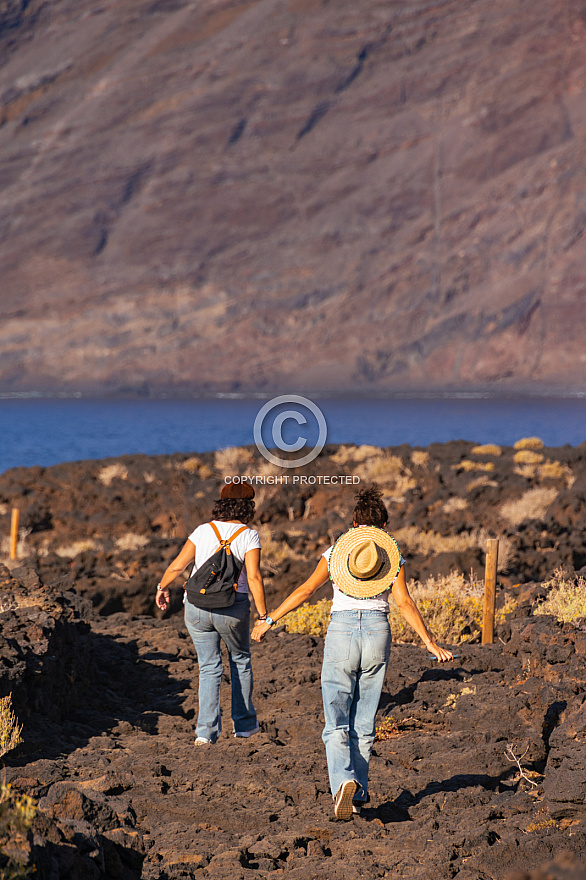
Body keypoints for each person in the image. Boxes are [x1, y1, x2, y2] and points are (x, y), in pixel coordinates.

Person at [252, 483, 453, 820]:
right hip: (378, 631)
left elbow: (305, 590)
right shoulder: (391, 557)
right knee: (364, 719)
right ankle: (357, 790)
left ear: (354, 527)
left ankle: (343, 781)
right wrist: (429, 642)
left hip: (342, 632)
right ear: (384, 528)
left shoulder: (335, 553)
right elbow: (403, 602)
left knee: (336, 721)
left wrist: (269, 620)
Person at [156, 482, 267, 744]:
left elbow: (177, 566)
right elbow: (254, 577)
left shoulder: (203, 530)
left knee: (208, 667)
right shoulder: (248, 535)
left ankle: (205, 734)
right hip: (232, 609)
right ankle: (244, 727)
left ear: (221, 503)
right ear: (248, 506)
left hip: (196, 607)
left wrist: (162, 587)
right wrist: (263, 616)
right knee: (240, 661)